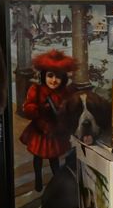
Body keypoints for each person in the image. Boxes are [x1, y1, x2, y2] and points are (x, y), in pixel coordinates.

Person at [20, 49, 78, 192]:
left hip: (54, 132)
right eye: (50, 76)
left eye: (57, 77)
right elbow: (27, 108)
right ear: (44, 76)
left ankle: (56, 180)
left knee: (54, 158)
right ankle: (38, 179)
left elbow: (69, 110)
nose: (53, 80)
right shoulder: (37, 90)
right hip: (39, 131)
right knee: (38, 158)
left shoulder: (65, 92)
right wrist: (39, 109)